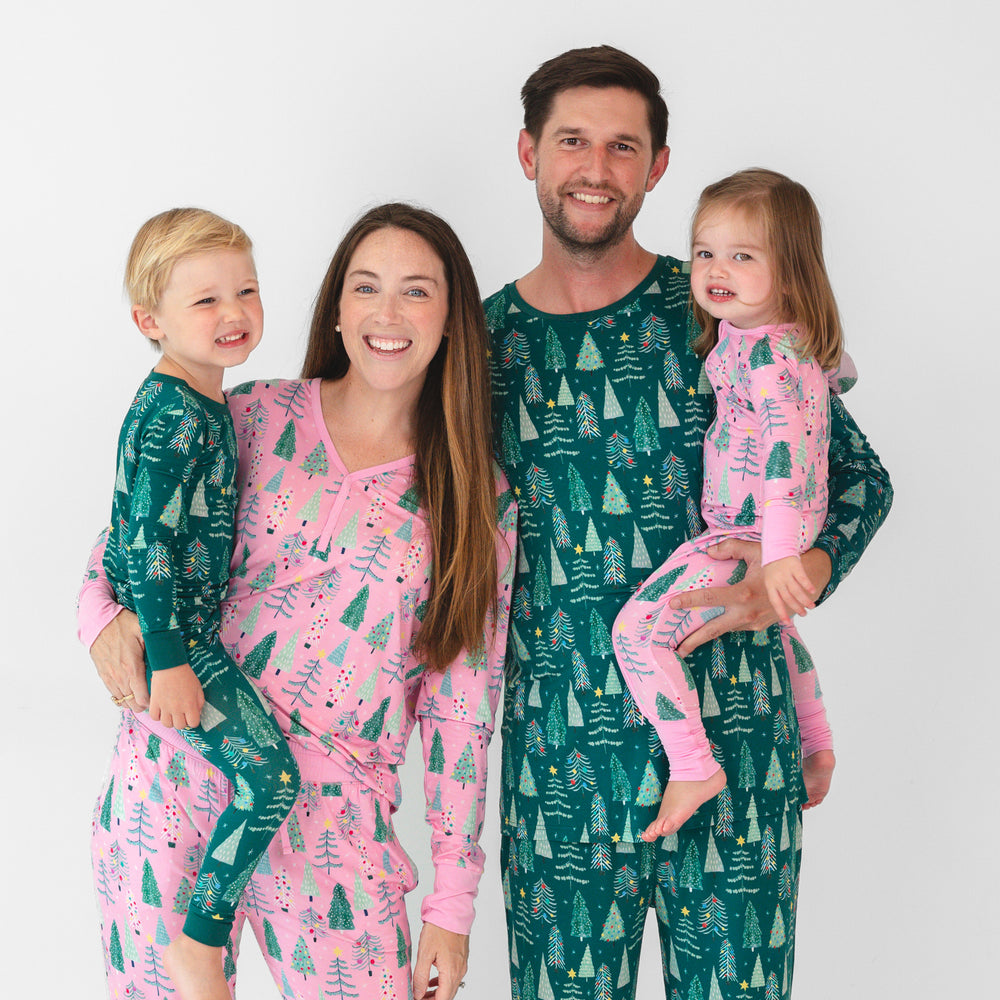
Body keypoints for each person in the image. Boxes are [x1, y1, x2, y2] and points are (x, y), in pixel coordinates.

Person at [486, 46, 892, 1000]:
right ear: (527, 152)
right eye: (573, 141)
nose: (596, 168)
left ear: (657, 165)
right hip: (561, 774)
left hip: (740, 746)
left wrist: (791, 580)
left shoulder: (721, 304)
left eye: (623, 146)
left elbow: (861, 480)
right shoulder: (482, 338)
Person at [80, 203, 516, 1000]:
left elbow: (464, 708)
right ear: (337, 309)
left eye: (417, 292)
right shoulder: (249, 414)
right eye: (366, 287)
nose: (388, 313)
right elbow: (127, 546)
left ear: (452, 319)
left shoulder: (477, 500)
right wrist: (102, 622)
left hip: (336, 822)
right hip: (178, 770)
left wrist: (451, 908)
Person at [612, 169, 852, 843]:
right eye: (706, 252)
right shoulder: (778, 336)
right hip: (764, 523)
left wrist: (781, 557)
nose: (717, 269)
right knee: (779, 628)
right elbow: (845, 376)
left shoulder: (770, 358)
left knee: (636, 632)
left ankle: (694, 763)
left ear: (790, 270)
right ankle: (816, 739)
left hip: (753, 525)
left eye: (743, 256)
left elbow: (781, 455)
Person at [104, 207, 300, 1000]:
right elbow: (144, 541)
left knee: (264, 779)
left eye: (245, 291)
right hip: (175, 642)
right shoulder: (174, 416)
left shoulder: (206, 403)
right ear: (150, 321)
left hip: (186, 633)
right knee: (271, 779)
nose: (233, 314)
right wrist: (171, 659)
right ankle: (200, 941)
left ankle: (199, 937)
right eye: (205, 301)